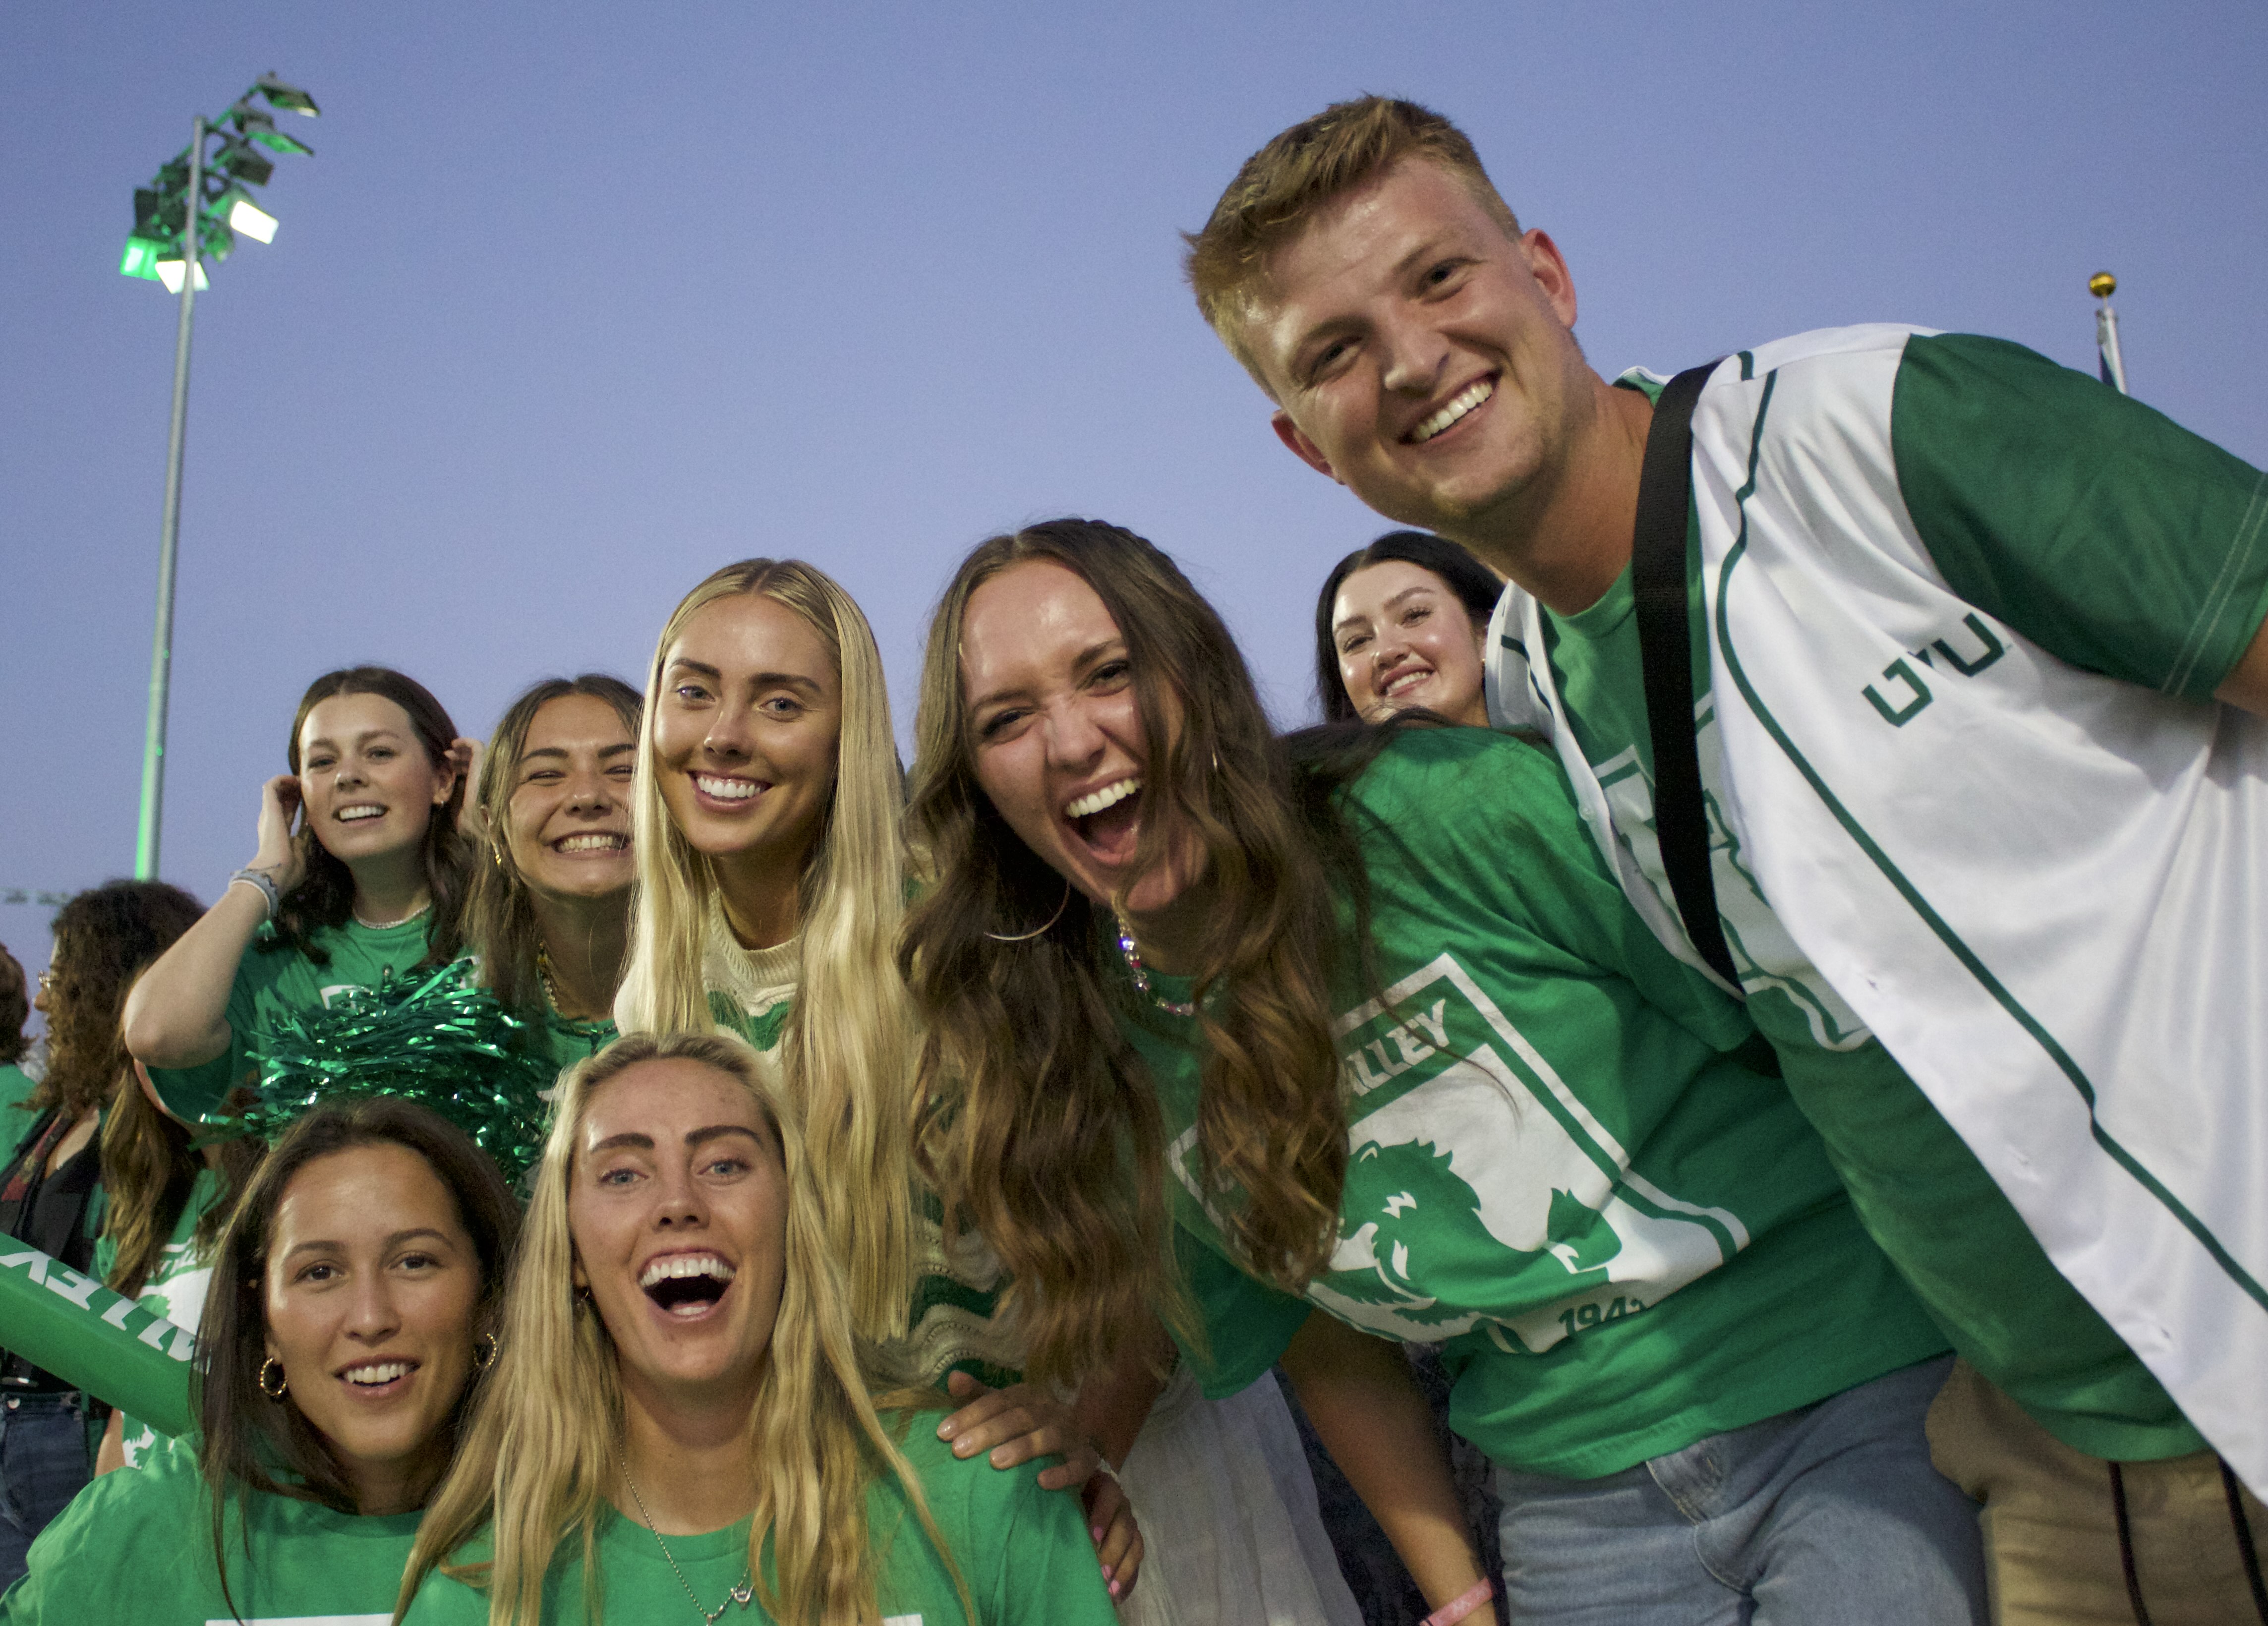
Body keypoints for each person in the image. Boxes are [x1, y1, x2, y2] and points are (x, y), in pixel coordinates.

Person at [1184, 94, 2268, 1620]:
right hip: (2065, 1449)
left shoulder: (1870, 430)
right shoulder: (1534, 694)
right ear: (1307, 445)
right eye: (1336, 349)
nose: (1412, 358)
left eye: (1438, 279)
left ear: (1545, 275)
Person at [906, 517, 1999, 1623]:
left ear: (1195, 669)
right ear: (980, 787)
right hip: (1569, 1500)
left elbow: (1813, 1031)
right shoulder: (1109, 1040)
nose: (1072, 740)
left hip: (1849, 1396)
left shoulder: (1438, 809)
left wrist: (2035, 1365)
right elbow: (1316, 1333)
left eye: (1109, 672)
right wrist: (1460, 1600)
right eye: (1007, 719)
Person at [398, 1029, 1119, 1626]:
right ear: (572, 1253)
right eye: (622, 1174)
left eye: (723, 1163)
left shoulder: (985, 1502)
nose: (677, 1201)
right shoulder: (482, 1597)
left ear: (788, 1223)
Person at [0, 1096, 519, 1623]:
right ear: (263, 1320)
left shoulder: (583, 1531)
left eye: (414, 1261)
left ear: (488, 1301)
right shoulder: (133, 1535)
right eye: (320, 1272)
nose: (370, 1317)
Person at [123, 667, 476, 1126]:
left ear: (443, 780)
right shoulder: (280, 954)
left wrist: (493, 841)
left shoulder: (506, 925)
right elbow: (155, 1033)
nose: (348, 777)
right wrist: (263, 875)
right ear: (301, 793)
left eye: (379, 753)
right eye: (322, 763)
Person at [0, 881, 204, 1580]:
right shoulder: (47, 1117)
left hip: (77, 1428)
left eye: (61, 977)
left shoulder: (167, 1132)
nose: (43, 1000)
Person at [462, 674, 642, 1079]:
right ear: (494, 829)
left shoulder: (757, 1003)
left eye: (623, 770)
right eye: (545, 775)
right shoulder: (453, 1026)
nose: (587, 797)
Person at [1314, 530, 1500, 726]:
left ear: (1485, 632)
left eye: (1415, 615)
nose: (1386, 652)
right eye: (1357, 641)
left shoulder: (1534, 750)